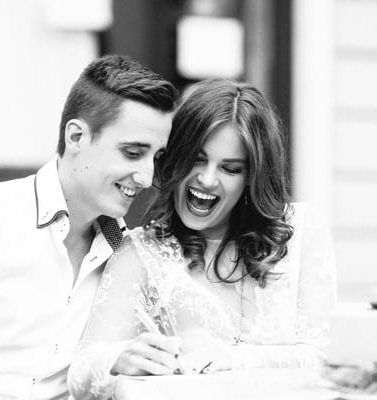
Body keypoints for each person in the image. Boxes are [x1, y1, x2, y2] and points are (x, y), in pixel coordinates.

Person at [0, 54, 178, 399]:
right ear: (76, 137)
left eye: (156, 158)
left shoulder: (126, 256)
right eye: (133, 153)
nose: (147, 178)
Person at [67, 79, 337, 399]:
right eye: (197, 158)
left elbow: (326, 356)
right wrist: (118, 359)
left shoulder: (302, 231)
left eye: (230, 168)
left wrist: (233, 359)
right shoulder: (140, 253)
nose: (207, 180)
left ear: (252, 176)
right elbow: (81, 371)